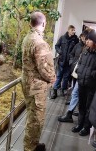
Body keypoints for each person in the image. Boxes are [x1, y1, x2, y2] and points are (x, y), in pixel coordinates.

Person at [21, 11, 56, 151]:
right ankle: (30, 148)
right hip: (36, 87)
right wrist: (53, 78)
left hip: (27, 83)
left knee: (32, 114)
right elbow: (45, 68)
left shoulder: (27, 38)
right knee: (36, 119)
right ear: (43, 23)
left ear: (30, 23)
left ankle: (32, 144)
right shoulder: (39, 42)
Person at [71, 31, 96, 136]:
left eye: (89, 40)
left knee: (89, 107)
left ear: (95, 41)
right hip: (81, 81)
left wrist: (94, 73)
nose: (87, 41)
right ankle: (79, 124)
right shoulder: (85, 50)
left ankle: (86, 127)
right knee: (81, 105)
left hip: (91, 84)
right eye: (87, 39)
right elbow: (80, 62)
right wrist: (79, 70)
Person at [57, 31, 89, 123]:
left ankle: (79, 119)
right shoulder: (79, 46)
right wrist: (73, 63)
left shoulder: (93, 51)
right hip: (77, 72)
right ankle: (70, 113)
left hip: (84, 77)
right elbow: (72, 54)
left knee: (80, 95)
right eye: (84, 38)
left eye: (87, 39)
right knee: (75, 92)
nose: (85, 40)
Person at [51, 25, 79, 99]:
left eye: (74, 30)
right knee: (59, 76)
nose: (74, 31)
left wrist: (72, 59)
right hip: (61, 61)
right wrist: (60, 52)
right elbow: (57, 46)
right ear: (69, 30)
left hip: (69, 63)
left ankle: (63, 89)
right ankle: (55, 90)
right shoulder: (62, 38)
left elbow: (76, 50)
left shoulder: (76, 40)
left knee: (66, 77)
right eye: (72, 30)